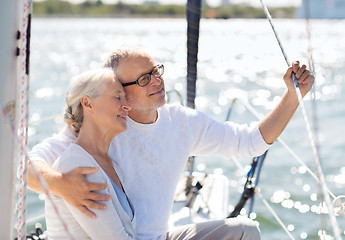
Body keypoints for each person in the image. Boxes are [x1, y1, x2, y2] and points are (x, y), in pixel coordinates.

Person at [28, 48, 314, 240]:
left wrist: (292, 96)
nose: (157, 81)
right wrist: (59, 183)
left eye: (156, 71)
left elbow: (250, 142)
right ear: (119, 92)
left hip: (162, 236)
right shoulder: (98, 131)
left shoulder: (181, 122)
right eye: (144, 78)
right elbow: (25, 166)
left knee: (245, 231)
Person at [44, 68, 136, 239]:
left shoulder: (110, 163)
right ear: (87, 103)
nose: (127, 106)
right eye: (117, 97)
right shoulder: (78, 165)